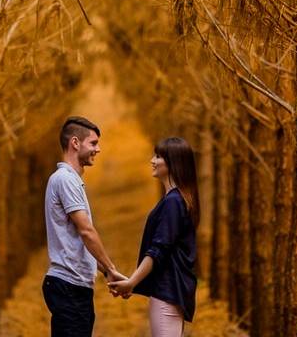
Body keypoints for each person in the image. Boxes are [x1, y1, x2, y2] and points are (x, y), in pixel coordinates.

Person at [108, 137, 200, 337]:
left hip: (167, 293)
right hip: (171, 291)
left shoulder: (174, 202)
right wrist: (131, 280)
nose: (152, 160)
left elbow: (158, 250)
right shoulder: (176, 199)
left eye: (158, 156)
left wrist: (132, 282)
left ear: (173, 163)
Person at [43, 116, 126, 336]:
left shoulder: (70, 180)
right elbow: (86, 231)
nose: (98, 149)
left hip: (75, 286)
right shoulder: (65, 179)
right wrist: (110, 268)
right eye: (93, 143)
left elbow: (77, 240)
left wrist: (106, 272)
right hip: (68, 286)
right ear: (75, 143)